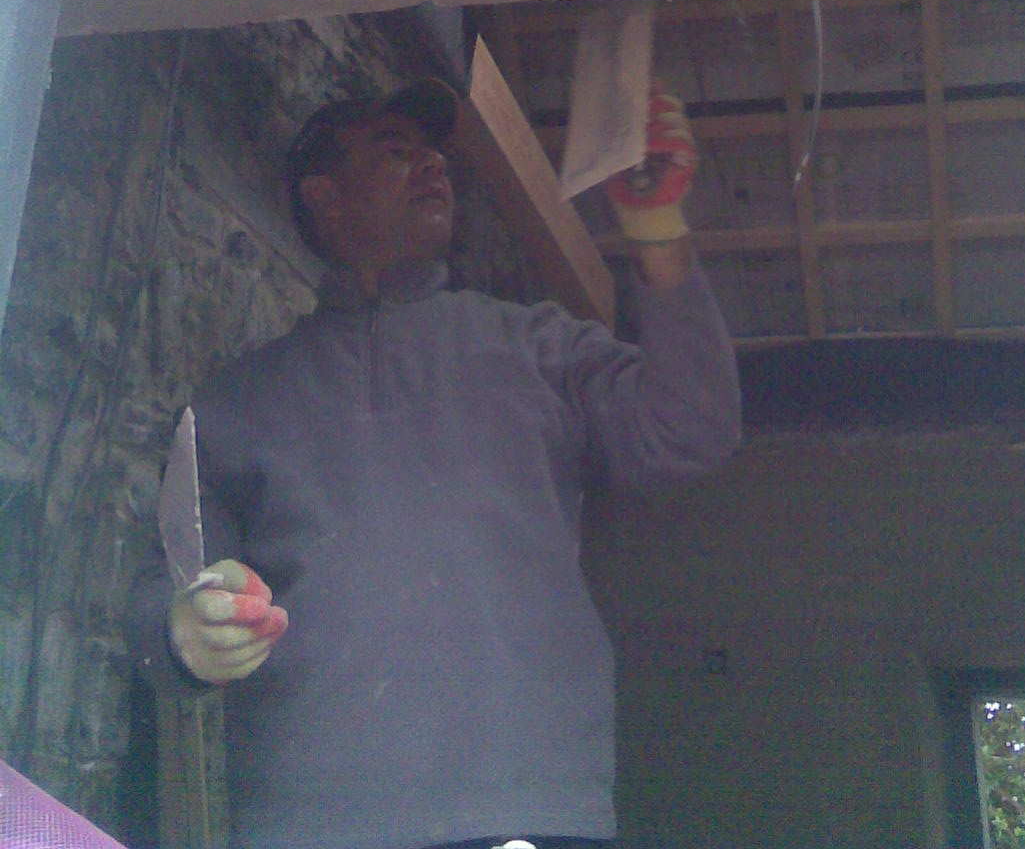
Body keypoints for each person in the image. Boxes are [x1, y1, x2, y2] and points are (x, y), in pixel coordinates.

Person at [130, 76, 741, 849]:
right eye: (395, 151)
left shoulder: (540, 347)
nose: (434, 164)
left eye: (433, 153)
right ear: (326, 198)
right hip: (310, 825)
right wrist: (184, 634)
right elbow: (167, 591)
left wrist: (657, 229)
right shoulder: (236, 403)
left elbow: (691, 428)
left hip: (527, 814)